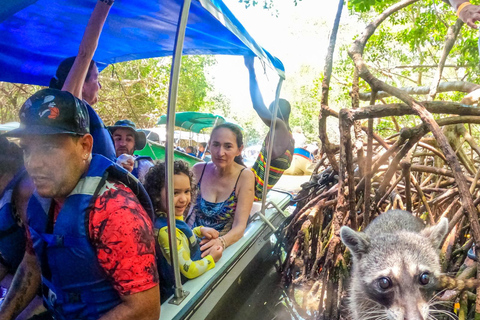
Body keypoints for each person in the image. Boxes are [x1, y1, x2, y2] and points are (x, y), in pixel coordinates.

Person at [1, 88, 160, 320]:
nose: (33, 163)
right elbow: (31, 263)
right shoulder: (40, 200)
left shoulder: (116, 212)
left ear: (85, 146)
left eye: (48, 147)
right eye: (27, 149)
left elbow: (146, 310)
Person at [144, 161, 223, 302]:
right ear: (156, 195)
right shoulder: (165, 231)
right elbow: (189, 269)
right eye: (175, 193)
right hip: (183, 294)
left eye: (187, 191)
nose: (183, 199)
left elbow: (183, 236)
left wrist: (199, 231)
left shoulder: (171, 218)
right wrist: (212, 259)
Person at [187, 123, 255, 257]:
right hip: (188, 240)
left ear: (239, 150)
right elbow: (183, 210)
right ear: (209, 145)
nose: (220, 152)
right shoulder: (198, 170)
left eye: (228, 146)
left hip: (220, 248)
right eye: (216, 145)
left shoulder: (245, 176)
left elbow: (239, 227)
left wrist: (221, 242)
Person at [244, 56, 295, 201]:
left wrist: (251, 70)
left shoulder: (279, 126)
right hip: (254, 192)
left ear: (274, 115)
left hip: (250, 194)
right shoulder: (289, 139)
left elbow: (257, 105)